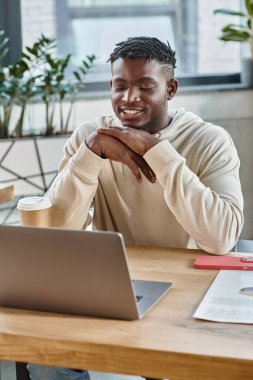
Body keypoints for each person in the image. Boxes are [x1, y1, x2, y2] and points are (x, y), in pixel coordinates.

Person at [27, 36, 244, 380]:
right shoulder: (91, 136)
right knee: (44, 356)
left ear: (170, 89)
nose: (129, 98)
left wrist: (158, 152)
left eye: (145, 86)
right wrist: (89, 155)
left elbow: (221, 239)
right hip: (117, 286)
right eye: (120, 86)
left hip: (190, 292)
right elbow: (57, 232)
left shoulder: (209, 140)